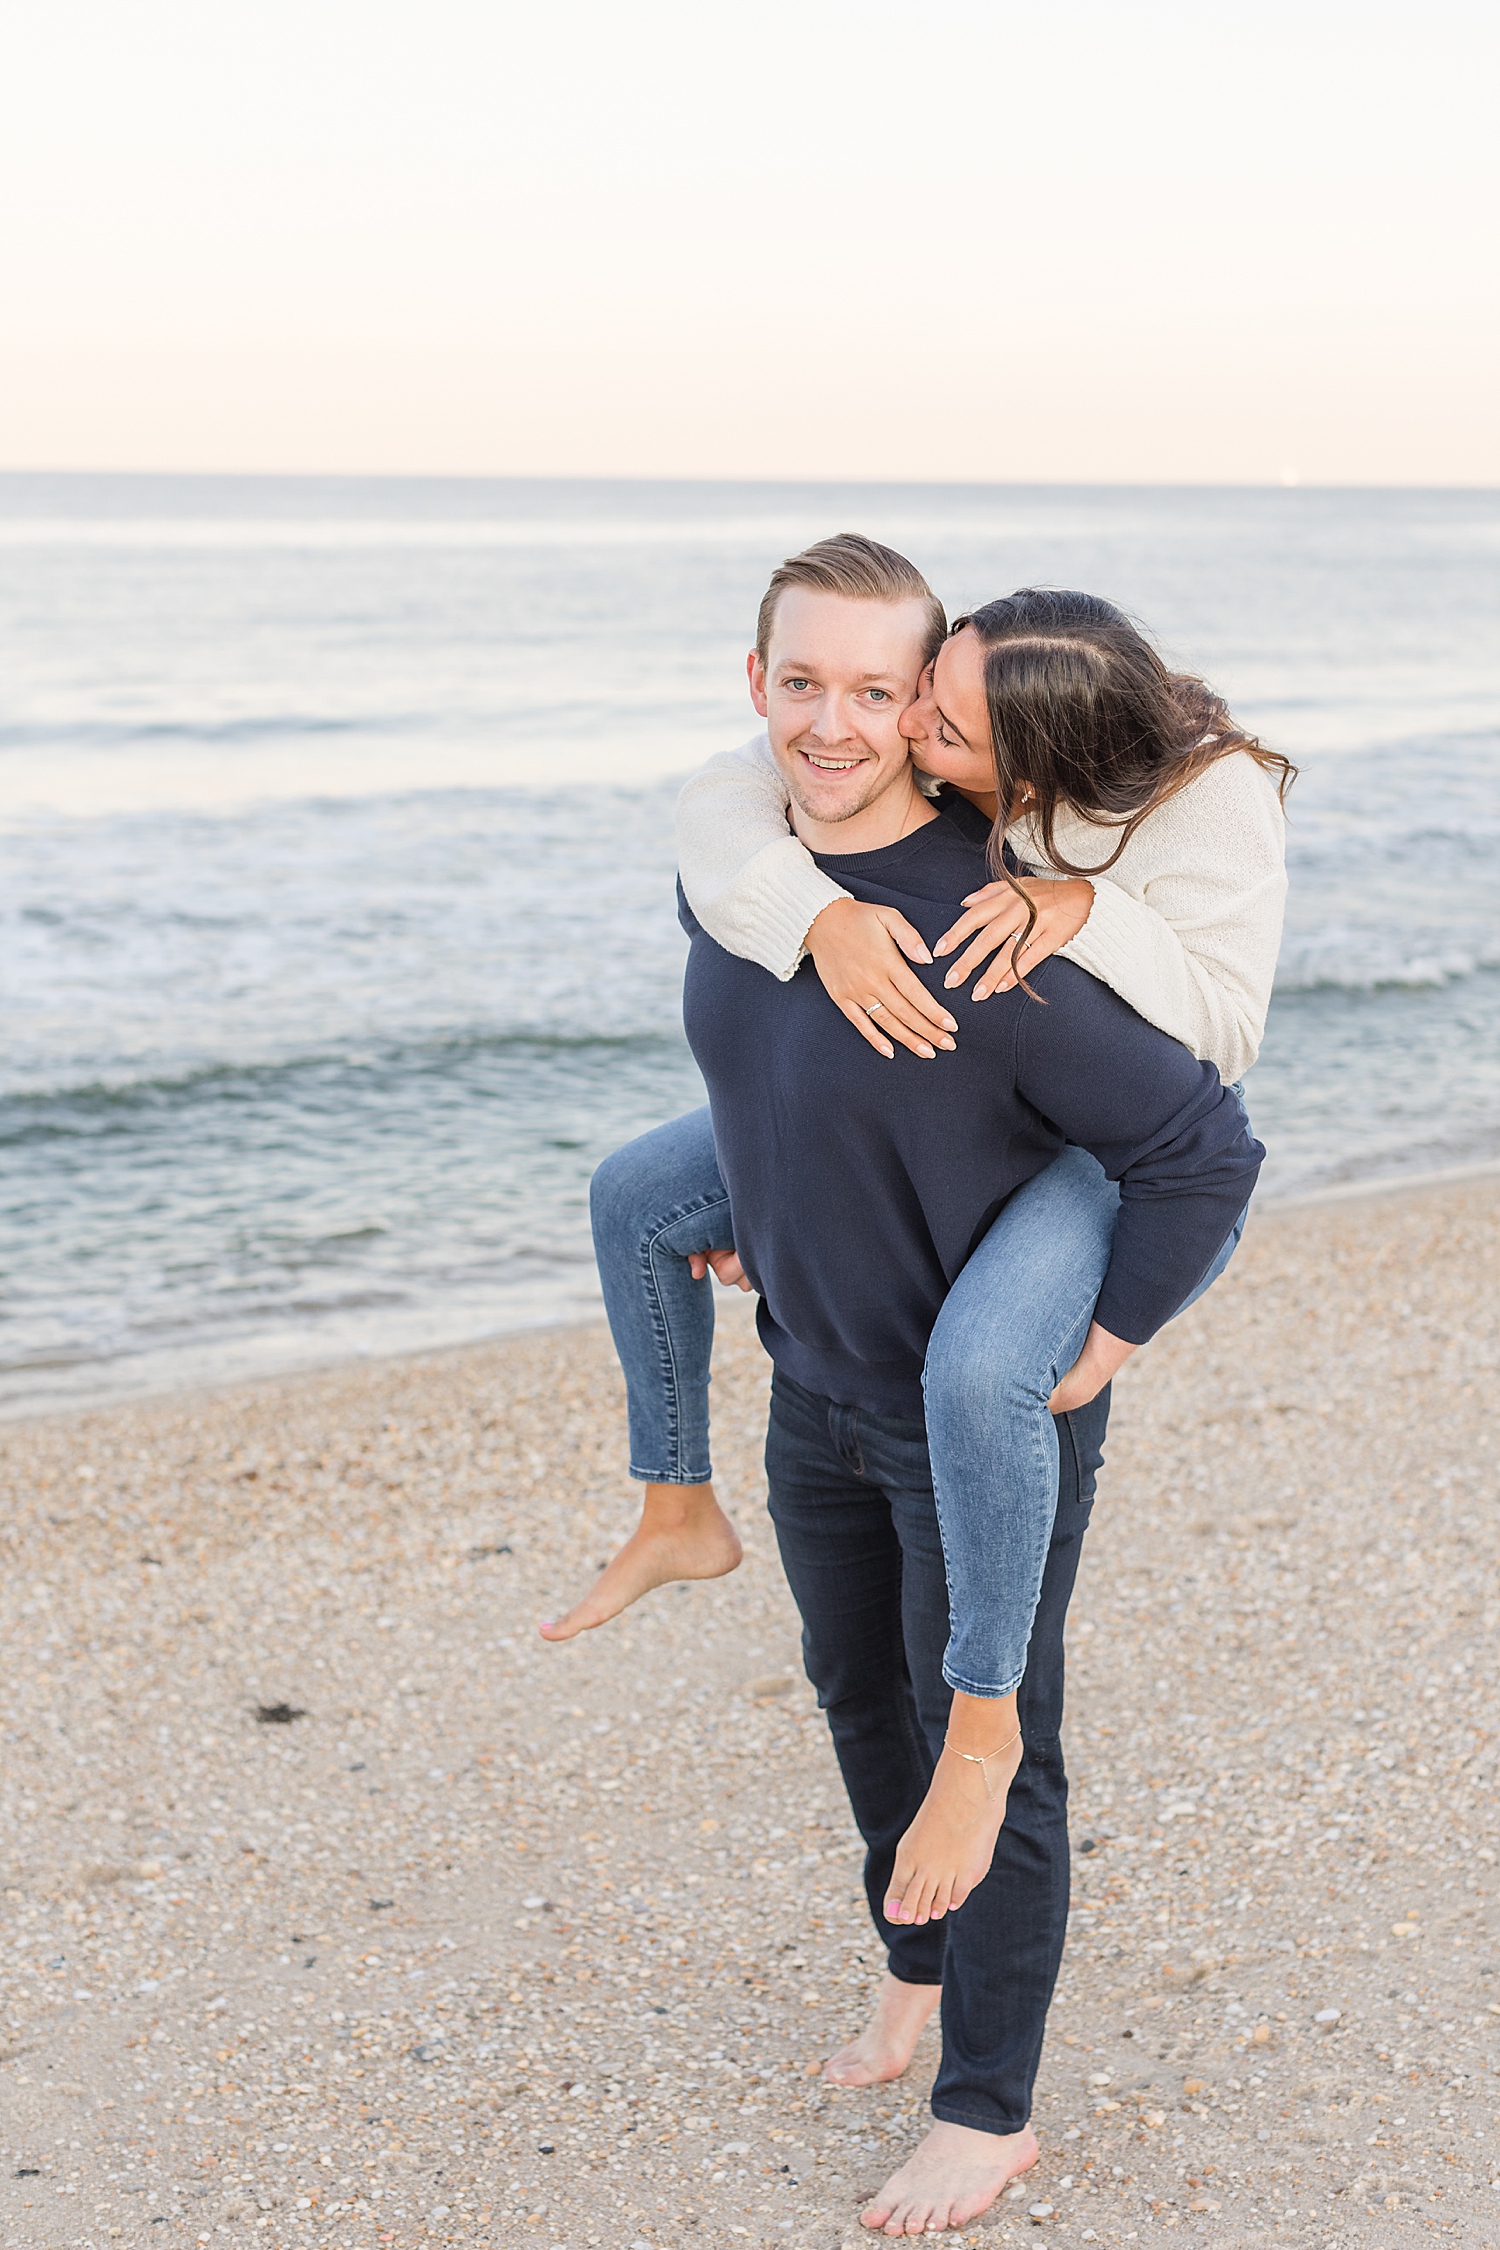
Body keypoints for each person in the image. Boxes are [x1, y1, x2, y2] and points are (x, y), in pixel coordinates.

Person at [637, 554, 1262, 2232]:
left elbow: (1204, 1145)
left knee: (993, 1740)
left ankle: (990, 2109)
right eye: (801, 685)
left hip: (975, 1420)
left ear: (929, 712)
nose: (836, 725)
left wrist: (1108, 1339)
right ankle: (910, 1968)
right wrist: (759, 1216)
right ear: (752, 681)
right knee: (857, 1702)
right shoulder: (748, 876)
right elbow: (767, 1082)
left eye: (879, 692)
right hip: (812, 1386)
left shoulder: (1001, 928)